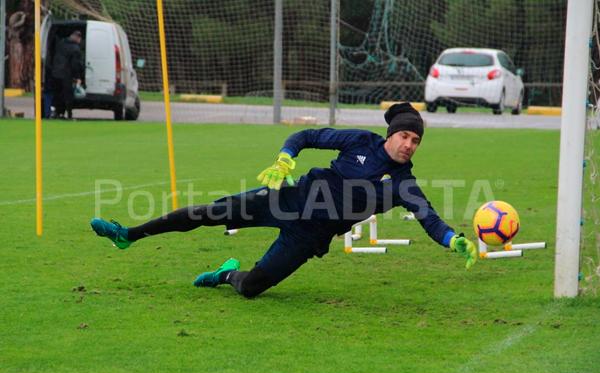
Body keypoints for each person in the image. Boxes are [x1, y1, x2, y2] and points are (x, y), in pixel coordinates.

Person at [90, 103, 478, 298]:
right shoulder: (360, 141)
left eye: (416, 141)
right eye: (406, 137)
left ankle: (226, 274)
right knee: (207, 212)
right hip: (288, 199)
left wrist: (452, 240)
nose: (410, 145)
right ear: (391, 135)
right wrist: (283, 160)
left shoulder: (404, 184)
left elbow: (430, 219)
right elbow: (305, 137)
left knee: (252, 288)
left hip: (309, 236)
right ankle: (129, 234)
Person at [49, 30, 84, 119]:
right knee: (68, 96)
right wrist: (78, 77)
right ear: (77, 38)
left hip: (55, 74)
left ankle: (55, 113)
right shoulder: (75, 48)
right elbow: (75, 65)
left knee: (57, 95)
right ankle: (69, 115)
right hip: (66, 75)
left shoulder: (61, 44)